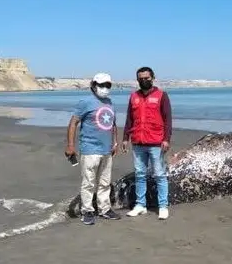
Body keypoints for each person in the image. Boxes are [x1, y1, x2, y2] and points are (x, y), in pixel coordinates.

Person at [65, 72, 121, 225]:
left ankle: (105, 209)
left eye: (108, 85)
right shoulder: (85, 102)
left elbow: (113, 125)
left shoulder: (109, 102)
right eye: (101, 85)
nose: (105, 88)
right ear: (93, 86)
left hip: (107, 150)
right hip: (90, 149)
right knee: (88, 182)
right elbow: (73, 123)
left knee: (105, 182)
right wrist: (70, 145)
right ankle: (87, 211)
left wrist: (115, 143)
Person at [120, 66, 172, 220]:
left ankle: (163, 206)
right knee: (140, 174)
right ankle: (140, 205)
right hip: (138, 142)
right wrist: (125, 138)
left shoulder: (162, 95)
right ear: (137, 80)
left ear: (152, 78)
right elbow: (129, 119)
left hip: (156, 142)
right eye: (141, 79)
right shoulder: (133, 96)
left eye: (146, 78)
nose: (144, 81)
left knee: (160, 175)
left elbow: (168, 119)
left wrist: (166, 139)